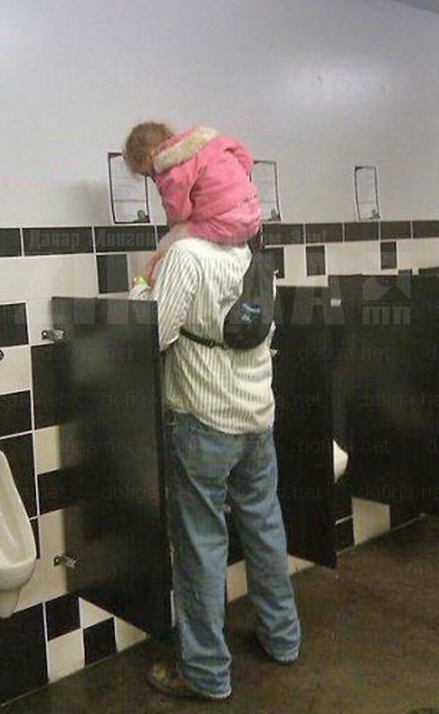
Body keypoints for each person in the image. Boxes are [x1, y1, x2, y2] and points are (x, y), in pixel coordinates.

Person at [130, 235, 301, 701]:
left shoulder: (187, 256)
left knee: (200, 543)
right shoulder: (249, 254)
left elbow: (151, 333)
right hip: (257, 418)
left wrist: (144, 280)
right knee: (264, 527)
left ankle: (205, 671)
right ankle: (282, 638)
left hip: (205, 420)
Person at [124, 122, 261, 283]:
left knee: (168, 244)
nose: (154, 179)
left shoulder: (170, 169)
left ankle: (148, 281)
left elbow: (179, 214)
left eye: (149, 174)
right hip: (252, 217)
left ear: (149, 157)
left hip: (225, 223)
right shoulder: (209, 142)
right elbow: (245, 161)